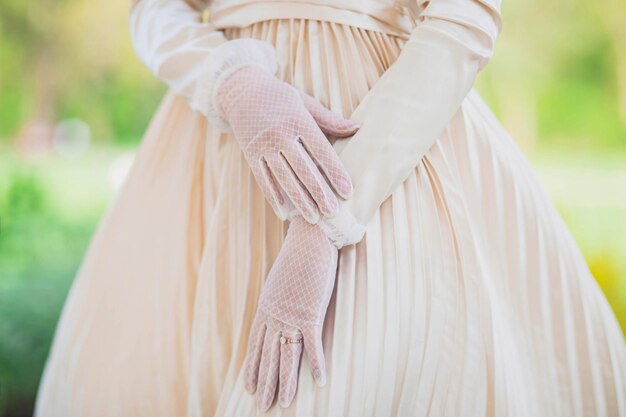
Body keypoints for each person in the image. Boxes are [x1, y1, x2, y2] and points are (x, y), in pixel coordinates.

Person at [35, 0, 626, 415]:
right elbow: (154, 9)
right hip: (217, 159)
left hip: (386, 148)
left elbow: (466, 12)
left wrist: (327, 219)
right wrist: (230, 84)